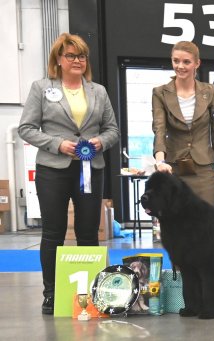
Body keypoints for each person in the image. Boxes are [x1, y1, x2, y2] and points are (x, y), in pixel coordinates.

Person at [18, 33, 120, 314]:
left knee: (88, 232)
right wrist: (57, 144)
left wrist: (99, 142)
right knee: (53, 232)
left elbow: (112, 129)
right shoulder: (41, 88)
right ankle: (51, 293)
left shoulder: (98, 91)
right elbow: (26, 128)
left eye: (82, 56)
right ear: (59, 60)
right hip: (53, 169)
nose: (77, 60)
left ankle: (93, 294)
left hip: (90, 169)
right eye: (71, 56)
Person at [151, 41, 214, 206]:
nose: (180, 66)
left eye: (186, 62)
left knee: (207, 220)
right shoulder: (160, 93)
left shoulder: (210, 91)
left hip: (204, 171)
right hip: (173, 169)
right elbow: (159, 129)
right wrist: (160, 162)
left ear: (197, 63)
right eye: (176, 61)